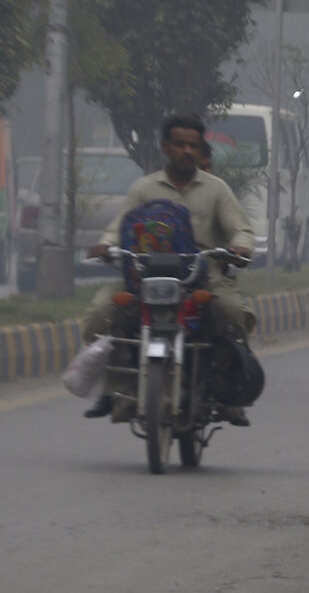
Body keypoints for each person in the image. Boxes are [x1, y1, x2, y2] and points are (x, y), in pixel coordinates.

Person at [81, 114, 256, 424]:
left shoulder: (217, 190)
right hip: (145, 275)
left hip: (201, 274)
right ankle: (116, 390)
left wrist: (240, 247)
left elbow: (241, 229)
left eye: (193, 145)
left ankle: (230, 388)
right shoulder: (144, 188)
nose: (187, 150)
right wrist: (106, 245)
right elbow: (118, 226)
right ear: (166, 147)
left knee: (231, 311)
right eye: (180, 144)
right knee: (100, 313)